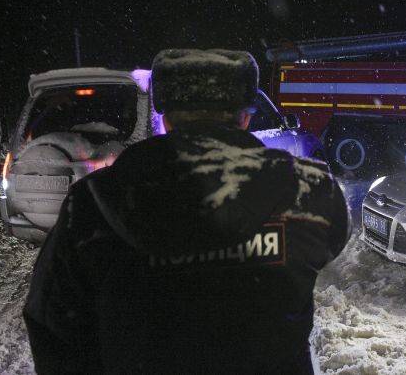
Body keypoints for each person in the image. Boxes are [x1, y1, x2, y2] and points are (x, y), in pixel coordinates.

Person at [23, 49, 350, 374]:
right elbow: (332, 240)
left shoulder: (91, 202)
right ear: (246, 116)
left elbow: (52, 324)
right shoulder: (310, 191)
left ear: (165, 119)